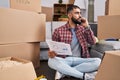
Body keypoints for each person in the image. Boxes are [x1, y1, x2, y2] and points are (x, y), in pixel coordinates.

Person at [48, 5, 101, 80]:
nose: (80, 16)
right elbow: (52, 49)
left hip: (80, 60)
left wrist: (87, 27)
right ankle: (85, 76)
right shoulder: (58, 31)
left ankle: (64, 72)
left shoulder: (83, 29)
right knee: (51, 61)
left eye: (80, 13)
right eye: (77, 13)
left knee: (98, 61)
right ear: (69, 15)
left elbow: (92, 42)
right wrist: (51, 53)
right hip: (65, 60)